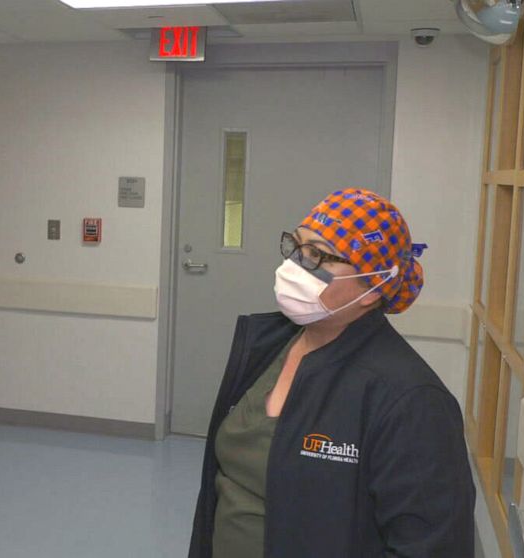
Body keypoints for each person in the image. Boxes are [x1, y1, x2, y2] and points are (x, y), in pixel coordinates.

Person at [188, 188, 475, 557]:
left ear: (372, 288)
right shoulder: (266, 347)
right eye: (298, 246)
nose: (295, 265)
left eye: (319, 256)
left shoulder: (410, 400)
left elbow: (433, 547)